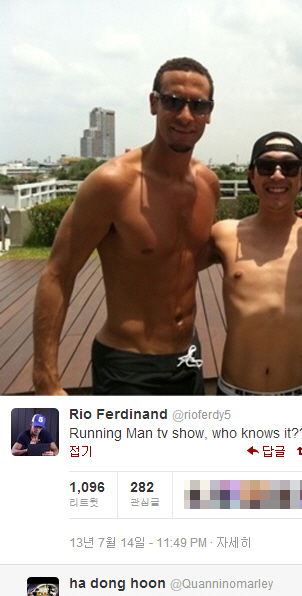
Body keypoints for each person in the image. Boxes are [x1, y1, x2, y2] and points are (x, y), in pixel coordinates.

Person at [32, 57, 219, 395]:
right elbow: (58, 273)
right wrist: (45, 378)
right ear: (154, 103)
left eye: (198, 105)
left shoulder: (208, 184)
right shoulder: (113, 183)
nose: (185, 115)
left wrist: (286, 225)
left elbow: (190, 256)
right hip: (129, 365)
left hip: (188, 358)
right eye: (173, 101)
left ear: (209, 113)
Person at [206, 132, 302, 395]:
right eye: (266, 166)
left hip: (300, 392)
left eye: (289, 167)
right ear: (252, 175)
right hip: (234, 392)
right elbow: (176, 266)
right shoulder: (225, 234)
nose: (277, 175)